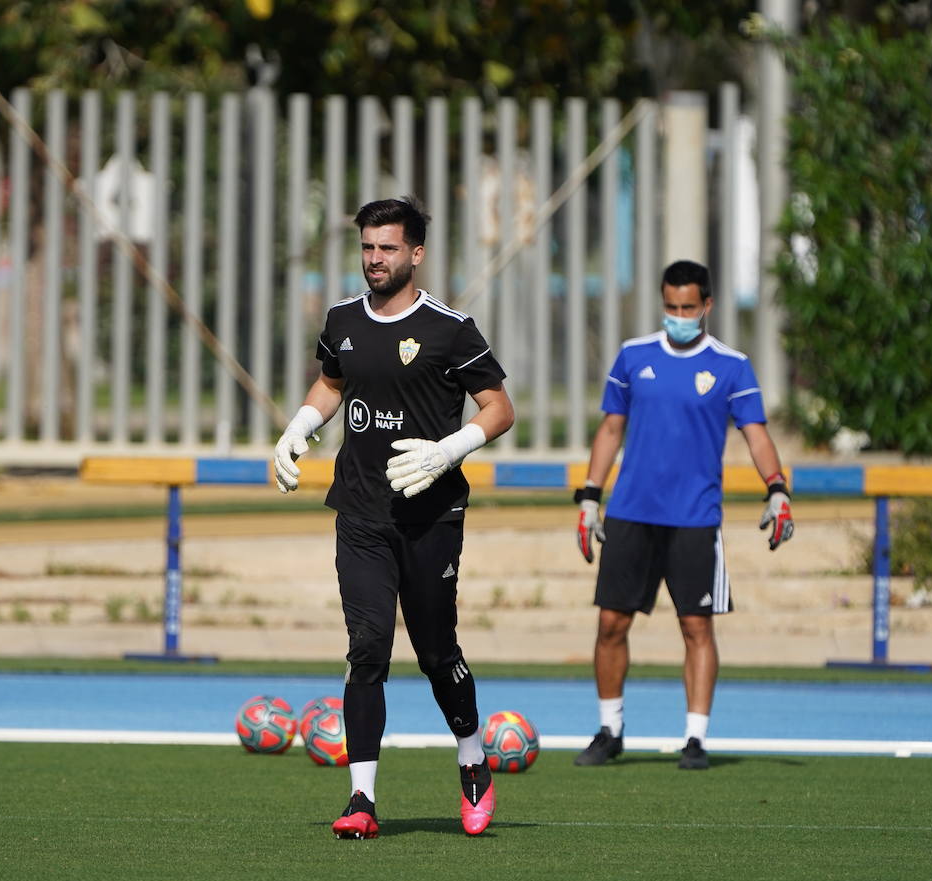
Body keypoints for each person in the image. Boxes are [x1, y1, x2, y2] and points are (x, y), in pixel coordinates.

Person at [273, 196, 515, 838]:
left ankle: (472, 759)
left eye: (387, 248)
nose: (374, 259)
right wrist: (299, 426)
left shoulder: (450, 329)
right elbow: (331, 382)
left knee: (436, 651)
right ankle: (362, 798)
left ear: (416, 253)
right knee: (367, 647)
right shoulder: (342, 319)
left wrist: (448, 451)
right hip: (360, 512)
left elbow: (499, 408)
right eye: (367, 247)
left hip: (431, 516)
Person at [572, 259, 794, 771]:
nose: (678, 316)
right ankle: (610, 730)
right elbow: (610, 429)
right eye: (671, 306)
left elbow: (756, 434)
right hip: (631, 513)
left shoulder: (732, 366)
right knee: (611, 623)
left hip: (694, 518)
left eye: (688, 307)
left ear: (707, 305)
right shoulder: (634, 356)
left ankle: (695, 737)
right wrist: (589, 497)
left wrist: (777, 489)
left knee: (696, 627)